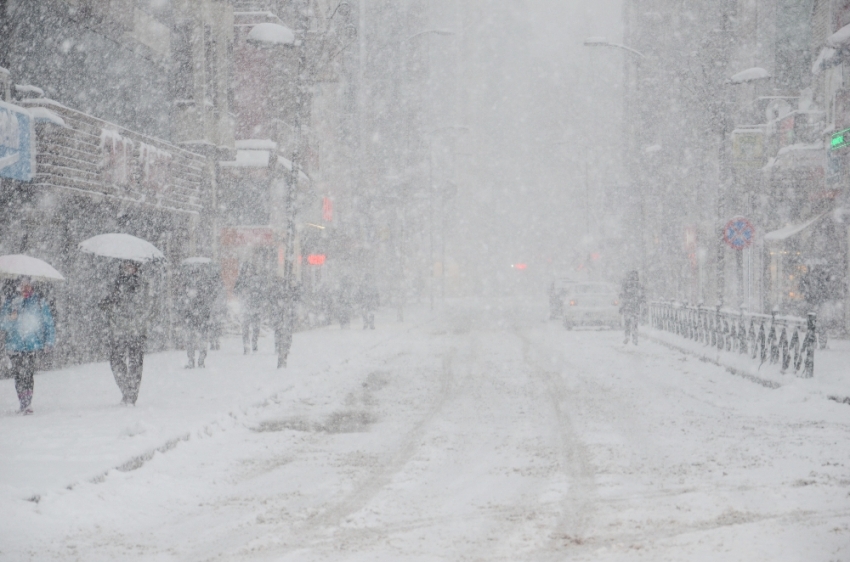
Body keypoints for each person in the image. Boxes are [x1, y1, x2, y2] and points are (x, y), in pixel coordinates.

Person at [99, 261, 152, 406]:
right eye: (125, 266)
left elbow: (148, 306)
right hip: (118, 330)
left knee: (135, 363)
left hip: (137, 330)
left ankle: (132, 395)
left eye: (131, 266)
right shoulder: (114, 284)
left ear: (136, 268)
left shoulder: (143, 285)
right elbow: (105, 305)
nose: (128, 269)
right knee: (116, 362)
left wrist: (141, 321)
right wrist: (109, 301)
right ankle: (126, 391)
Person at [0, 277, 55, 414]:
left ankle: (27, 403)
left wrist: (49, 341)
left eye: (28, 286)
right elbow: (2, 324)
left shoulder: (39, 302)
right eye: (22, 286)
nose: (25, 289)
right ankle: (22, 402)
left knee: (28, 373)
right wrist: (11, 318)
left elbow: (48, 323)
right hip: (14, 345)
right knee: (18, 375)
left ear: (32, 287)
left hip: (32, 345)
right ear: (18, 287)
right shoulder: (11, 302)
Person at [178, 267, 212, 369]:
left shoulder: (202, 288)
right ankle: (193, 360)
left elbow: (206, 304)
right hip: (194, 319)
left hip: (199, 319)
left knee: (198, 341)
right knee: (192, 341)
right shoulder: (190, 287)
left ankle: (198, 360)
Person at [235, 259, 265, 354]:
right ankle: (246, 345)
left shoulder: (258, 279)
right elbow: (235, 291)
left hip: (256, 307)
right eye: (246, 269)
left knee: (256, 328)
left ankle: (254, 342)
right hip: (245, 307)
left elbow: (263, 292)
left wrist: (258, 297)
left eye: (250, 269)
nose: (248, 271)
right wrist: (241, 293)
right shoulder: (241, 279)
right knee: (245, 328)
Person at [271, 278, 299, 368]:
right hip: (282, 315)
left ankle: (284, 347)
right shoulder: (280, 292)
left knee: (285, 331)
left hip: (285, 315)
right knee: (282, 331)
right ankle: (281, 347)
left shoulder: (292, 291)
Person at [619, 270, 645, 345]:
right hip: (635, 306)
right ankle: (635, 337)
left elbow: (622, 296)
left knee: (627, 322)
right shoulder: (639, 285)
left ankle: (627, 336)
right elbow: (642, 296)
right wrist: (642, 302)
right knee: (635, 323)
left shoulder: (626, 284)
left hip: (627, 306)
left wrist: (622, 306)